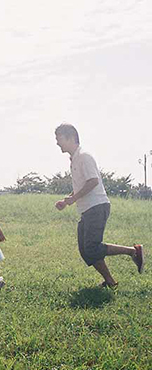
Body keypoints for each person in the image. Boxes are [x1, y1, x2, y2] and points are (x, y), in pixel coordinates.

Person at [54, 123, 144, 288]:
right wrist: (67, 200)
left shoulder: (84, 156)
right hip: (87, 209)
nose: (57, 143)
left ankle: (133, 251)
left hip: (96, 206)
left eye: (58, 138)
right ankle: (110, 281)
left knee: (92, 247)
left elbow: (93, 181)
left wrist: (73, 199)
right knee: (85, 250)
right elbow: (81, 187)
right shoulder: (75, 159)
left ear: (70, 137)